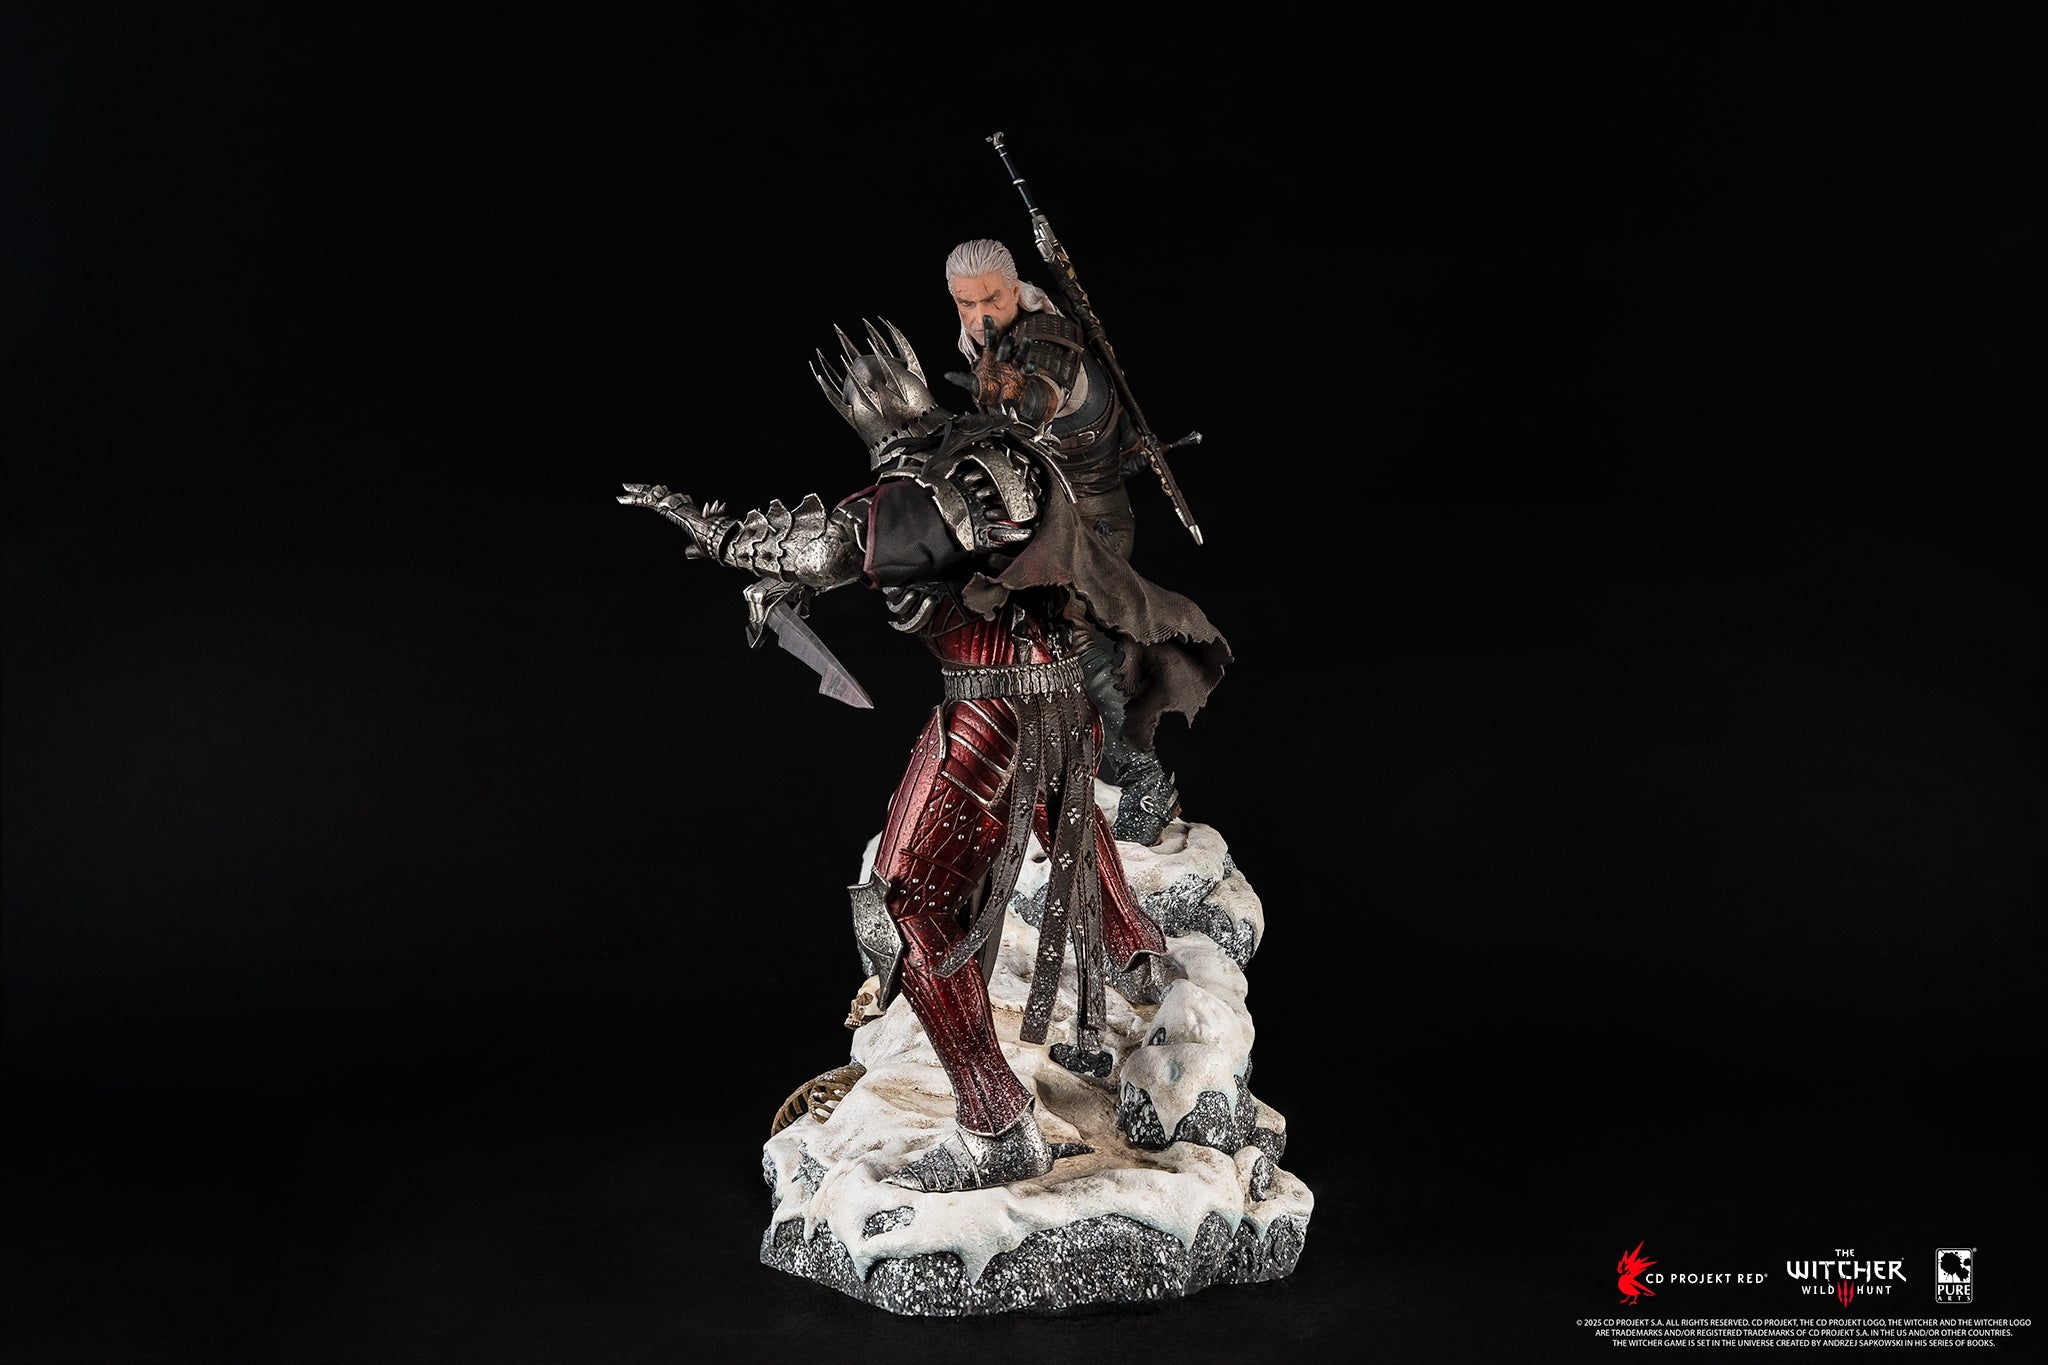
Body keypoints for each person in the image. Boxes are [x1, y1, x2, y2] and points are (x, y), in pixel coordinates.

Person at [619, 320, 1229, 1192]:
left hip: (993, 716)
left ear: (866, 402)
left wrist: (717, 534)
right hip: (1059, 700)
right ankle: (1140, 964)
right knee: (1060, 813)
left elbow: (838, 542)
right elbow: (945, 554)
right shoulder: (1002, 446)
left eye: (864, 385)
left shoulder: (936, 478)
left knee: (902, 903)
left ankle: (996, 1125)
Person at [941, 238, 1190, 845]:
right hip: (1046, 512)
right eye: (966, 304)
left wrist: (1006, 392)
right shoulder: (987, 342)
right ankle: (1043, 772)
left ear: (1015, 288)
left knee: (1067, 634)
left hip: (1093, 522)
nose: (980, 315)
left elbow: (1038, 401)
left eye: (992, 299)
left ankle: (1142, 777)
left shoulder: (1047, 337)